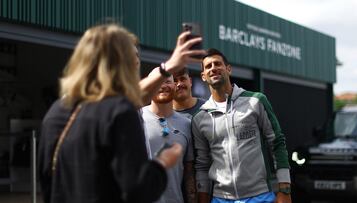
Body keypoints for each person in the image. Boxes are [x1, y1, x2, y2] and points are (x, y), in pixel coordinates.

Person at [38, 23, 205, 203]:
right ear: (123, 65)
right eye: (134, 60)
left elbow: (46, 181)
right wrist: (162, 163)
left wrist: (168, 68)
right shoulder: (119, 112)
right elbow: (138, 190)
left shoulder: (57, 110)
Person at [192, 48, 292, 203]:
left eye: (217, 63)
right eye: (208, 66)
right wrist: (203, 198)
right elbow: (202, 164)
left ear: (228, 69)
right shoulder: (199, 118)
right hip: (220, 198)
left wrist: (284, 189)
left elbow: (277, 143)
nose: (213, 68)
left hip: (260, 196)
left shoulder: (256, 101)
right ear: (203, 76)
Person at [142, 74, 196, 203]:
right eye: (158, 81)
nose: (163, 86)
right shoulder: (136, 117)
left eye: (167, 82)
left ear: (174, 86)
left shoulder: (187, 124)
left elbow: (189, 172)